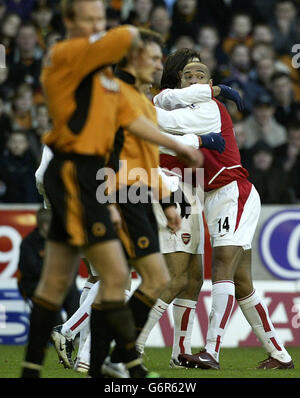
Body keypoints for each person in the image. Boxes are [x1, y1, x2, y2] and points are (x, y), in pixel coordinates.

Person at [20, 0, 202, 379]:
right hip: (79, 180)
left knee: (118, 279)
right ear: (70, 21)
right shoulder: (67, 56)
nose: (96, 26)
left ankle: (108, 360)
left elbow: (139, 135)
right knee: (70, 280)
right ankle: (71, 362)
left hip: (100, 183)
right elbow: (116, 43)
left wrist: (172, 180)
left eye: (99, 19)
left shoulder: (116, 88)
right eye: (89, 18)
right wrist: (141, 31)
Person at [153, 60, 294, 370]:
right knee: (242, 282)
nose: (193, 79)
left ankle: (212, 351)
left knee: (221, 266)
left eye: (200, 75)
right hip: (214, 197)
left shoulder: (211, 108)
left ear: (209, 83)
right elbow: (166, 116)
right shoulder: (184, 110)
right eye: (187, 75)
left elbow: (164, 120)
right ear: (180, 82)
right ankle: (280, 354)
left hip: (233, 192)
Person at [17, 208, 80, 323]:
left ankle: (74, 334)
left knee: (73, 294)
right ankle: (58, 333)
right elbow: (32, 270)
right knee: (50, 301)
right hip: (36, 285)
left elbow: (73, 264)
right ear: (46, 226)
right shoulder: (28, 243)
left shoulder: (62, 240)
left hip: (60, 282)